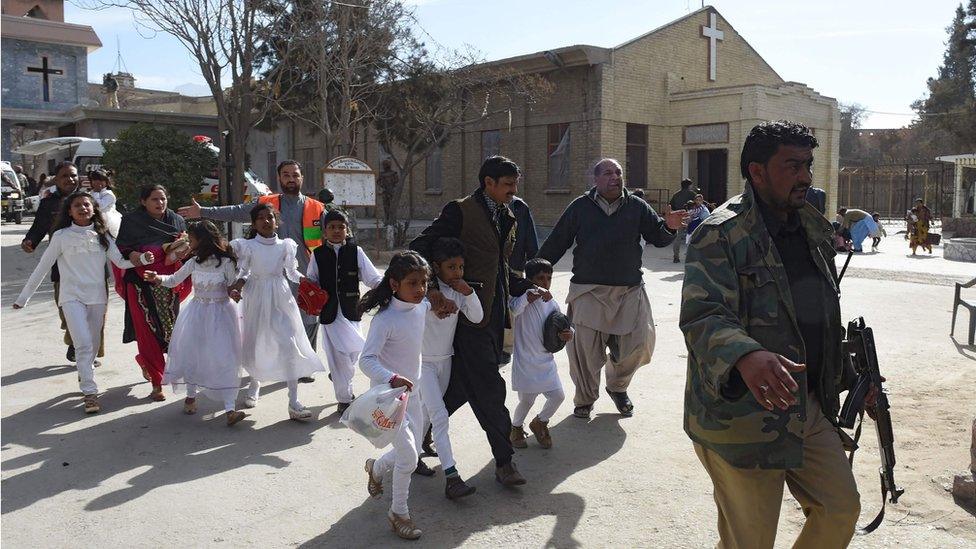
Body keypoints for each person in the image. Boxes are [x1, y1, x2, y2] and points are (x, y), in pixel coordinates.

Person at [681, 120, 882, 549]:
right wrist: (745, 355)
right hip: (743, 417)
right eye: (792, 166)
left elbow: (818, 318)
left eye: (807, 165)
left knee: (840, 509)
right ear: (757, 171)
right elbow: (703, 315)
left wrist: (852, 378)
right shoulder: (720, 233)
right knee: (749, 541)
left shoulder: (812, 228)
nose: (806, 177)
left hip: (808, 404)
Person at [409, 155, 535, 486]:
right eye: (507, 184)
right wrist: (435, 288)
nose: (513, 190)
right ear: (488, 183)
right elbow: (419, 248)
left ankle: (415, 439)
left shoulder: (509, 214)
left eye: (515, 184)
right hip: (462, 320)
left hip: (492, 319)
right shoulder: (460, 211)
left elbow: (499, 267)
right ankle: (505, 461)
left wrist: (526, 286)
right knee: (491, 389)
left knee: (462, 386)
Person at [537, 158, 686, 420]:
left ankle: (617, 387)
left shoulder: (636, 206)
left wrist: (670, 228)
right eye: (608, 173)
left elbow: (657, 237)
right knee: (583, 352)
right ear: (595, 179)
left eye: (618, 172)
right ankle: (585, 398)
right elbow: (557, 241)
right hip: (587, 291)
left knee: (639, 344)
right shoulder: (580, 207)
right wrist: (536, 273)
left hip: (628, 290)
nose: (615, 177)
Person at [12, 192, 147, 413]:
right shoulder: (61, 236)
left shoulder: (103, 236)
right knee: (83, 343)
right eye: (77, 205)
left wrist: (141, 259)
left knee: (92, 345)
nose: (83, 208)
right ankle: (90, 392)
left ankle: (84, 372)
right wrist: (23, 298)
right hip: (71, 296)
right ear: (69, 211)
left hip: (97, 297)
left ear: (94, 209)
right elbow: (43, 267)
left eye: (87, 204)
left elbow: (121, 263)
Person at [178, 160, 325, 360]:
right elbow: (236, 212)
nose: (291, 179)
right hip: (266, 275)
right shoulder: (267, 203)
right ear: (279, 178)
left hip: (303, 272)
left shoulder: (317, 208)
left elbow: (336, 235)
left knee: (308, 316)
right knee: (267, 320)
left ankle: (306, 361)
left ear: (302, 177)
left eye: (295, 175)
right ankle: (271, 361)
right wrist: (204, 211)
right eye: (286, 175)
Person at [144, 221, 247, 426]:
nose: (188, 243)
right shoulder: (194, 262)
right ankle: (190, 395)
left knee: (225, 358)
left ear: (203, 240)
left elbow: (232, 285)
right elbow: (174, 279)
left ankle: (230, 409)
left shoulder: (226, 262)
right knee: (193, 354)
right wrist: (157, 278)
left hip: (222, 315)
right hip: (197, 313)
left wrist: (235, 291)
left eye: (191, 239)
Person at [359, 251, 431, 540]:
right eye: (412, 283)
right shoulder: (385, 320)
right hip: (389, 399)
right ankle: (398, 512)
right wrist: (391, 377)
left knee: (408, 452)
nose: (420, 289)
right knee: (410, 457)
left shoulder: (423, 306)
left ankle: (376, 468)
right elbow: (366, 360)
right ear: (394, 284)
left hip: (414, 395)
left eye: (424, 282)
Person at [230, 203, 325, 420]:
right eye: (261, 218)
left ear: (276, 220)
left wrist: (305, 281)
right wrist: (238, 285)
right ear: (254, 223)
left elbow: (291, 272)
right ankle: (255, 384)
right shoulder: (248, 246)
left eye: (270, 217)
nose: (266, 221)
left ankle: (294, 401)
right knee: (255, 342)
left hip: (281, 296)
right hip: (256, 295)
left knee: (289, 343)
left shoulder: (286, 245)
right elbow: (244, 271)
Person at [417, 237, 481, 499]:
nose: (456, 273)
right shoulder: (425, 292)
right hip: (422, 364)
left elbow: (476, 317)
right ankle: (452, 477)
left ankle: (410, 454)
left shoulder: (459, 290)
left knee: (426, 415)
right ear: (437, 267)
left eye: (460, 267)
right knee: (439, 416)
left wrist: (468, 292)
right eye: (451, 267)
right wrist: (433, 302)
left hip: (446, 361)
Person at [116, 184, 193, 401]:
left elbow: (186, 251)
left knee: (170, 331)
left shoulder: (176, 220)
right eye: (154, 200)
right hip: (140, 285)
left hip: (169, 285)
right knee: (146, 332)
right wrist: (135, 256)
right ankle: (157, 382)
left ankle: (147, 363)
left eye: (163, 199)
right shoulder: (131, 222)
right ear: (143, 201)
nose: (160, 203)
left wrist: (182, 250)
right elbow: (122, 249)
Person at [306, 209, 383, 414]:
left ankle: (340, 376)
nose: (337, 230)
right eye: (332, 227)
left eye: (341, 227)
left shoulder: (355, 252)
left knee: (355, 352)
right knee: (338, 357)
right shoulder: (318, 254)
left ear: (347, 229)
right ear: (324, 231)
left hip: (351, 311)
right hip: (330, 314)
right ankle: (344, 399)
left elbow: (373, 278)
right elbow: (311, 280)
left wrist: (388, 290)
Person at [21, 161, 86, 362]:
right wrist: (30, 241)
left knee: (91, 311)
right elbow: (39, 226)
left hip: (89, 264)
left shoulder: (88, 200)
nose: (70, 179)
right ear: (56, 179)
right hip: (62, 266)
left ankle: (81, 347)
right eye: (65, 176)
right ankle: (74, 338)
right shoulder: (49, 202)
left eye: (73, 175)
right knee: (66, 309)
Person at [508, 258, 572, 450]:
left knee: (558, 396)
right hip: (526, 362)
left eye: (548, 278)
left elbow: (563, 323)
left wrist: (569, 334)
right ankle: (516, 427)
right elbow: (514, 309)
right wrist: (529, 295)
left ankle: (540, 422)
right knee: (526, 400)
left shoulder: (551, 303)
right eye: (540, 278)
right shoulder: (522, 298)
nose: (545, 283)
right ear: (530, 279)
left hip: (546, 362)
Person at [669, 178, 697, 262]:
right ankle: (692, 257)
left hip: (679, 217)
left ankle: (676, 257)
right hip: (690, 217)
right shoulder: (693, 194)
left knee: (678, 238)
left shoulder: (676, 195)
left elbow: (671, 206)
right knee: (692, 237)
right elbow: (698, 205)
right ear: (689, 185)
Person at [89, 169, 122, 238]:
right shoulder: (91, 193)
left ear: (106, 182)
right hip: (94, 219)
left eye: (100, 180)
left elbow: (100, 206)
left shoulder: (109, 194)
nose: (97, 182)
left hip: (106, 221)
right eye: (94, 180)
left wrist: (96, 193)